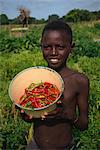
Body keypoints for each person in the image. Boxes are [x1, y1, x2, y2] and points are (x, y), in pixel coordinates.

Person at [19, 19, 89, 150]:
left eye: (60, 47)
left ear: (71, 48)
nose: (53, 52)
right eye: (47, 47)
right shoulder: (35, 78)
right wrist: (26, 116)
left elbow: (84, 125)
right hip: (35, 145)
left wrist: (67, 115)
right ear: (41, 47)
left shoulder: (79, 81)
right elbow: (32, 118)